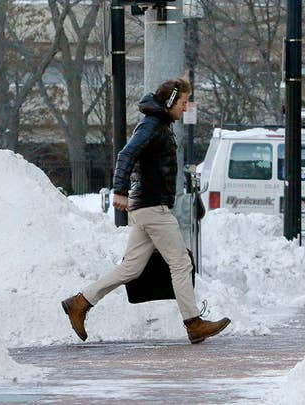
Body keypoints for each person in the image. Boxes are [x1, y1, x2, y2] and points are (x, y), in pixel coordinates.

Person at [61, 78, 231, 344]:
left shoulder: (158, 125)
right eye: (183, 102)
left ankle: (79, 303)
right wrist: (119, 190)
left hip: (146, 207)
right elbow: (126, 155)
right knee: (181, 263)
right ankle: (193, 323)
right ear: (170, 101)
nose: (185, 108)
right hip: (152, 207)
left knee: (131, 268)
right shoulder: (152, 126)